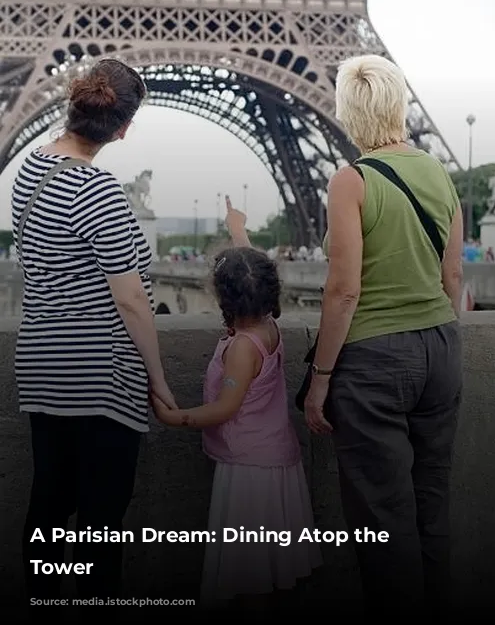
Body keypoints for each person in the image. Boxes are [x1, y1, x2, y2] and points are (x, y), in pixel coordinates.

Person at [11, 58, 177, 622]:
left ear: (73, 103)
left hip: (42, 365)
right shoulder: (99, 189)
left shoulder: (30, 171)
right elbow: (131, 300)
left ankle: (44, 607)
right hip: (100, 376)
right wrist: (158, 381)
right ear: (123, 127)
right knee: (101, 522)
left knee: (49, 506)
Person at [304, 55, 463, 621]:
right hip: (440, 348)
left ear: (350, 113)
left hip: (374, 361)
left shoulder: (352, 179)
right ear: (399, 103)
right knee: (431, 503)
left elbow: (344, 291)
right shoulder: (439, 173)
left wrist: (320, 380)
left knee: (382, 516)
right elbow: (453, 278)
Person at [152, 196, 321, 612]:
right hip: (275, 458)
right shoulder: (269, 327)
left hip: (249, 470)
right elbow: (255, 271)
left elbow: (226, 408)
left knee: (250, 576)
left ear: (223, 298)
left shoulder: (242, 348)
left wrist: (177, 417)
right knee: (267, 570)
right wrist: (238, 230)